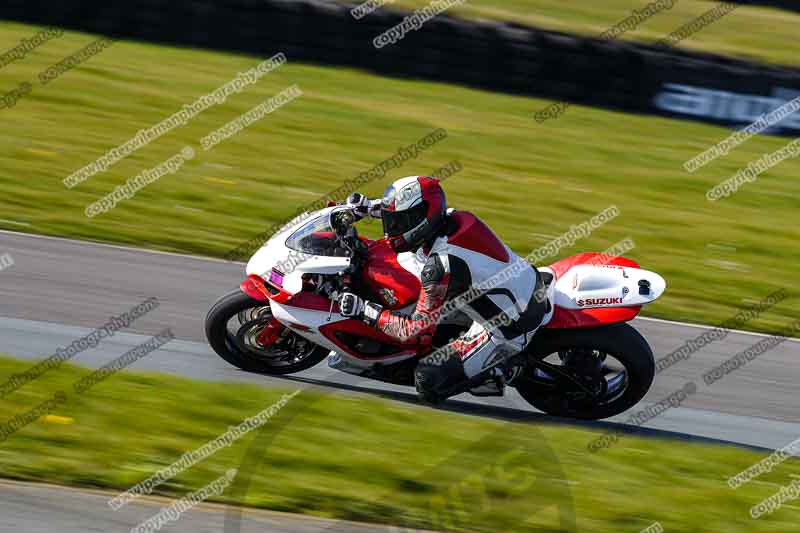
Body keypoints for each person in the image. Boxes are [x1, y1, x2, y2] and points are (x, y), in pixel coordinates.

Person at [338, 176, 548, 403]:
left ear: (422, 219)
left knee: (427, 379)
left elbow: (412, 331)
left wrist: (364, 310)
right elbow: (409, 213)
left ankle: (505, 368)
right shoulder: (452, 218)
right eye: (392, 221)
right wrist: (368, 207)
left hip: (509, 327)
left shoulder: (441, 266)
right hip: (522, 283)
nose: (390, 232)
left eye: (398, 223)